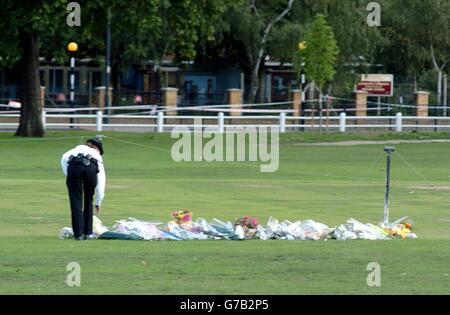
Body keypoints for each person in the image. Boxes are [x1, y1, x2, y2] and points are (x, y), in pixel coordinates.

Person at [61, 138, 106, 241]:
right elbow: (101, 179)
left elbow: (65, 163)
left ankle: (78, 234)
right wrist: (98, 201)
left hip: (74, 167)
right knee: (88, 200)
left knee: (76, 201)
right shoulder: (96, 155)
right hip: (91, 169)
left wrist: (72, 178)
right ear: (96, 149)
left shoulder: (71, 151)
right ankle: (88, 233)